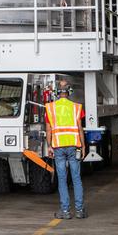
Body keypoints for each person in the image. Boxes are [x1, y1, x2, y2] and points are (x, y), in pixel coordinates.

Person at [44, 84, 86, 220]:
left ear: (57, 92)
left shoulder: (50, 108)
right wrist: (83, 146)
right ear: (70, 92)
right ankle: (80, 211)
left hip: (58, 147)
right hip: (74, 146)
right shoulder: (76, 107)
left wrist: (49, 146)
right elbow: (80, 128)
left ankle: (65, 211)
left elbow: (49, 130)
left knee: (62, 179)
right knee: (76, 178)